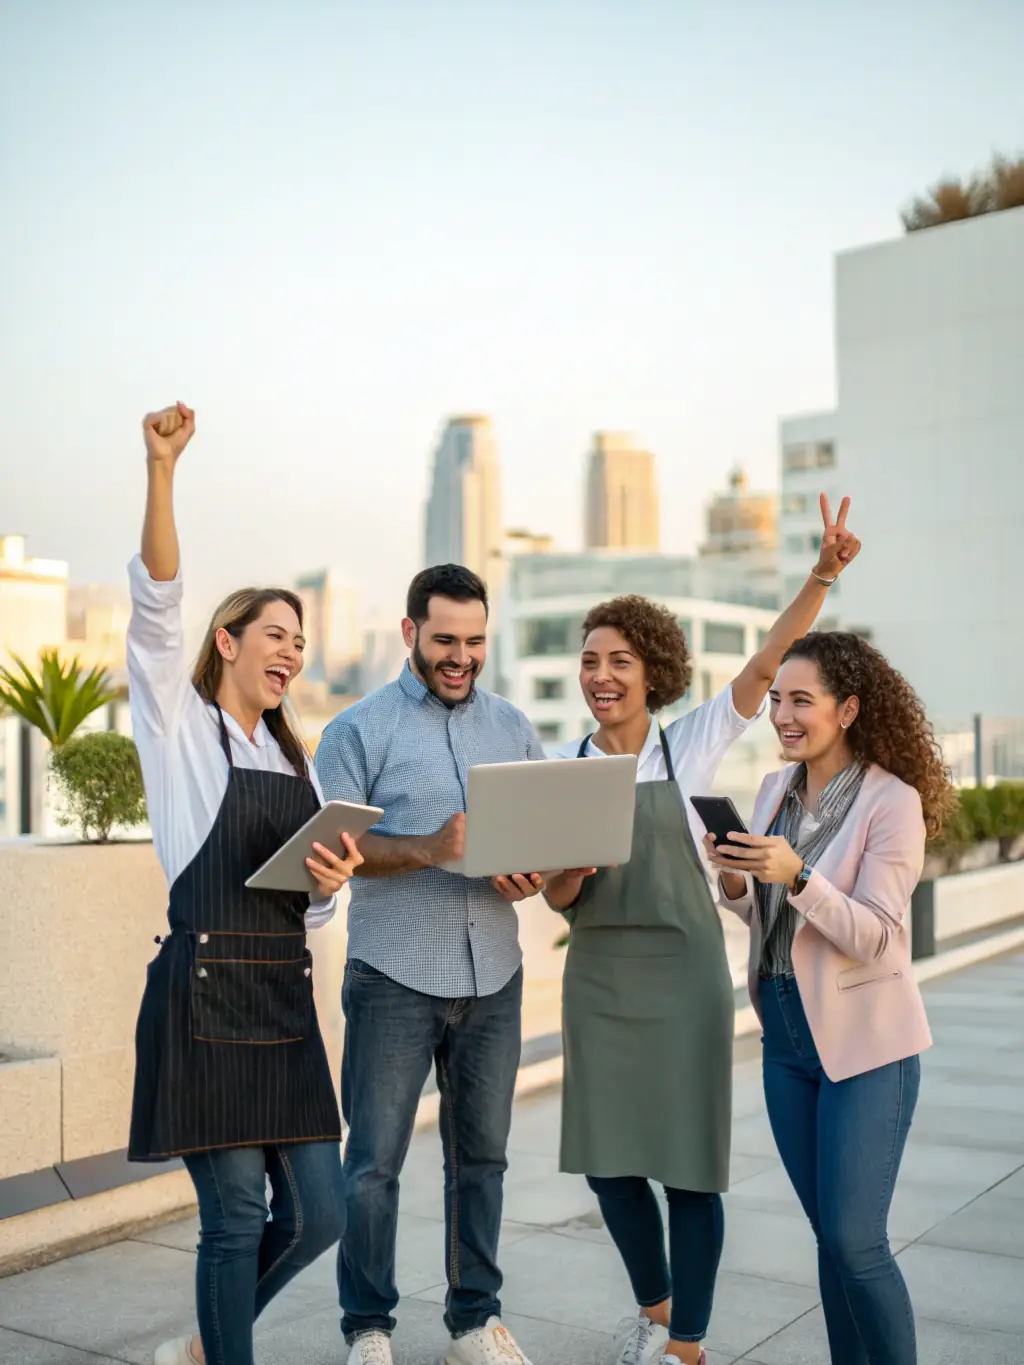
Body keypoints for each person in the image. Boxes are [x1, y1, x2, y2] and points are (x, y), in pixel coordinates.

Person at [544, 495, 861, 1365]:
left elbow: (766, 664)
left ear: (653, 672)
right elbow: (557, 895)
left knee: (686, 1167)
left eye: (619, 659)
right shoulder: (565, 767)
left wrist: (821, 576)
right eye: (589, 660)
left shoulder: (692, 743)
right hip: (599, 980)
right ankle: (656, 1313)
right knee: (608, 1165)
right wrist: (571, 868)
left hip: (682, 982)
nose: (600, 674)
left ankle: (686, 1346)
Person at [127, 404, 363, 1365]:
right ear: (227, 640)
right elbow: (155, 609)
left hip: (282, 999)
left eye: (299, 642)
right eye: (275, 633)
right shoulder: (180, 730)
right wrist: (162, 471)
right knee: (231, 1221)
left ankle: (205, 1342)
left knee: (321, 1214)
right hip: (207, 996)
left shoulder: (293, 752)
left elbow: (307, 904)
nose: (291, 651)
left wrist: (329, 882)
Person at [314, 562, 547, 1365]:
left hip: (494, 976)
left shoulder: (514, 727)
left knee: (481, 1158)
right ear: (410, 632)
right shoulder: (355, 731)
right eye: (445, 640)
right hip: (393, 977)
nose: (461, 656)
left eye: (475, 641)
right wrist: (429, 847)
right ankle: (368, 1327)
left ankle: (475, 1321)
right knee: (374, 1163)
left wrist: (532, 871)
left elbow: (540, 834)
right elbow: (339, 850)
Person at [708, 632, 955, 1365]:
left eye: (800, 701)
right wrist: (733, 880)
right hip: (785, 1038)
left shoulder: (893, 801)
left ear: (847, 709)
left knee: (857, 1238)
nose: (782, 714)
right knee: (829, 1237)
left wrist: (797, 875)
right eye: (777, 699)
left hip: (867, 1046)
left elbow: (877, 934)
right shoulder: (771, 792)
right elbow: (771, 920)